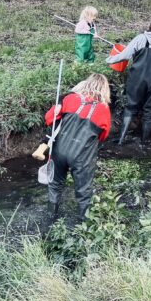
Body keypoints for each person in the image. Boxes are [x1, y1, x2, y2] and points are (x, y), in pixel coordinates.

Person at [32, 73, 112, 221]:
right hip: (82, 157)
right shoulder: (104, 110)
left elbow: (50, 119)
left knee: (55, 186)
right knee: (83, 193)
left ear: (86, 83)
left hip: (59, 151)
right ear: (104, 90)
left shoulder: (70, 98)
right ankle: (83, 230)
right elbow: (103, 136)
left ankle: (51, 220)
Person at [106, 16, 151, 145]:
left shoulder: (140, 38)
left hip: (136, 81)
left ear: (149, 25)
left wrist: (109, 60)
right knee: (149, 111)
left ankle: (121, 140)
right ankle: (144, 142)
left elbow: (125, 55)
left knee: (130, 107)